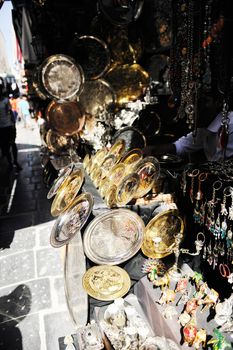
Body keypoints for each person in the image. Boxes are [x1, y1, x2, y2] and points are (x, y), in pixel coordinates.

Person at [143, 110, 233, 163]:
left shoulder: (230, 125)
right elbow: (181, 146)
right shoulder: (204, 127)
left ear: (217, 102)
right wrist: (153, 149)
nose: (196, 110)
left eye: (205, 101)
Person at [0, 85, 22, 171]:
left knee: (13, 143)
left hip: (8, 125)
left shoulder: (5, 100)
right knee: (5, 146)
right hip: (1, 127)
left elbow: (10, 112)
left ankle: (16, 161)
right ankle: (10, 163)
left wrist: (13, 123)